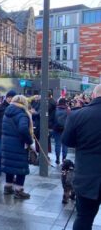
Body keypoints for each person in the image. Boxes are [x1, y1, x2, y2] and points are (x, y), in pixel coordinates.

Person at [62, 85, 101, 230]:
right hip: (88, 176)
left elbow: (67, 141)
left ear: (93, 96)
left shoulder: (78, 115)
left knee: (84, 218)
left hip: (86, 176)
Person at [1, 95, 33, 199]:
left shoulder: (7, 112)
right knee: (20, 167)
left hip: (7, 143)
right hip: (18, 145)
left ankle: (8, 187)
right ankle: (19, 190)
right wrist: (29, 140)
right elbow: (23, 129)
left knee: (10, 165)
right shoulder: (21, 114)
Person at [53, 98, 70, 164]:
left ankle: (57, 159)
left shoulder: (55, 110)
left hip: (56, 129)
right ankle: (64, 159)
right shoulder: (68, 110)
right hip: (65, 129)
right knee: (65, 145)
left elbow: (53, 119)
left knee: (57, 144)